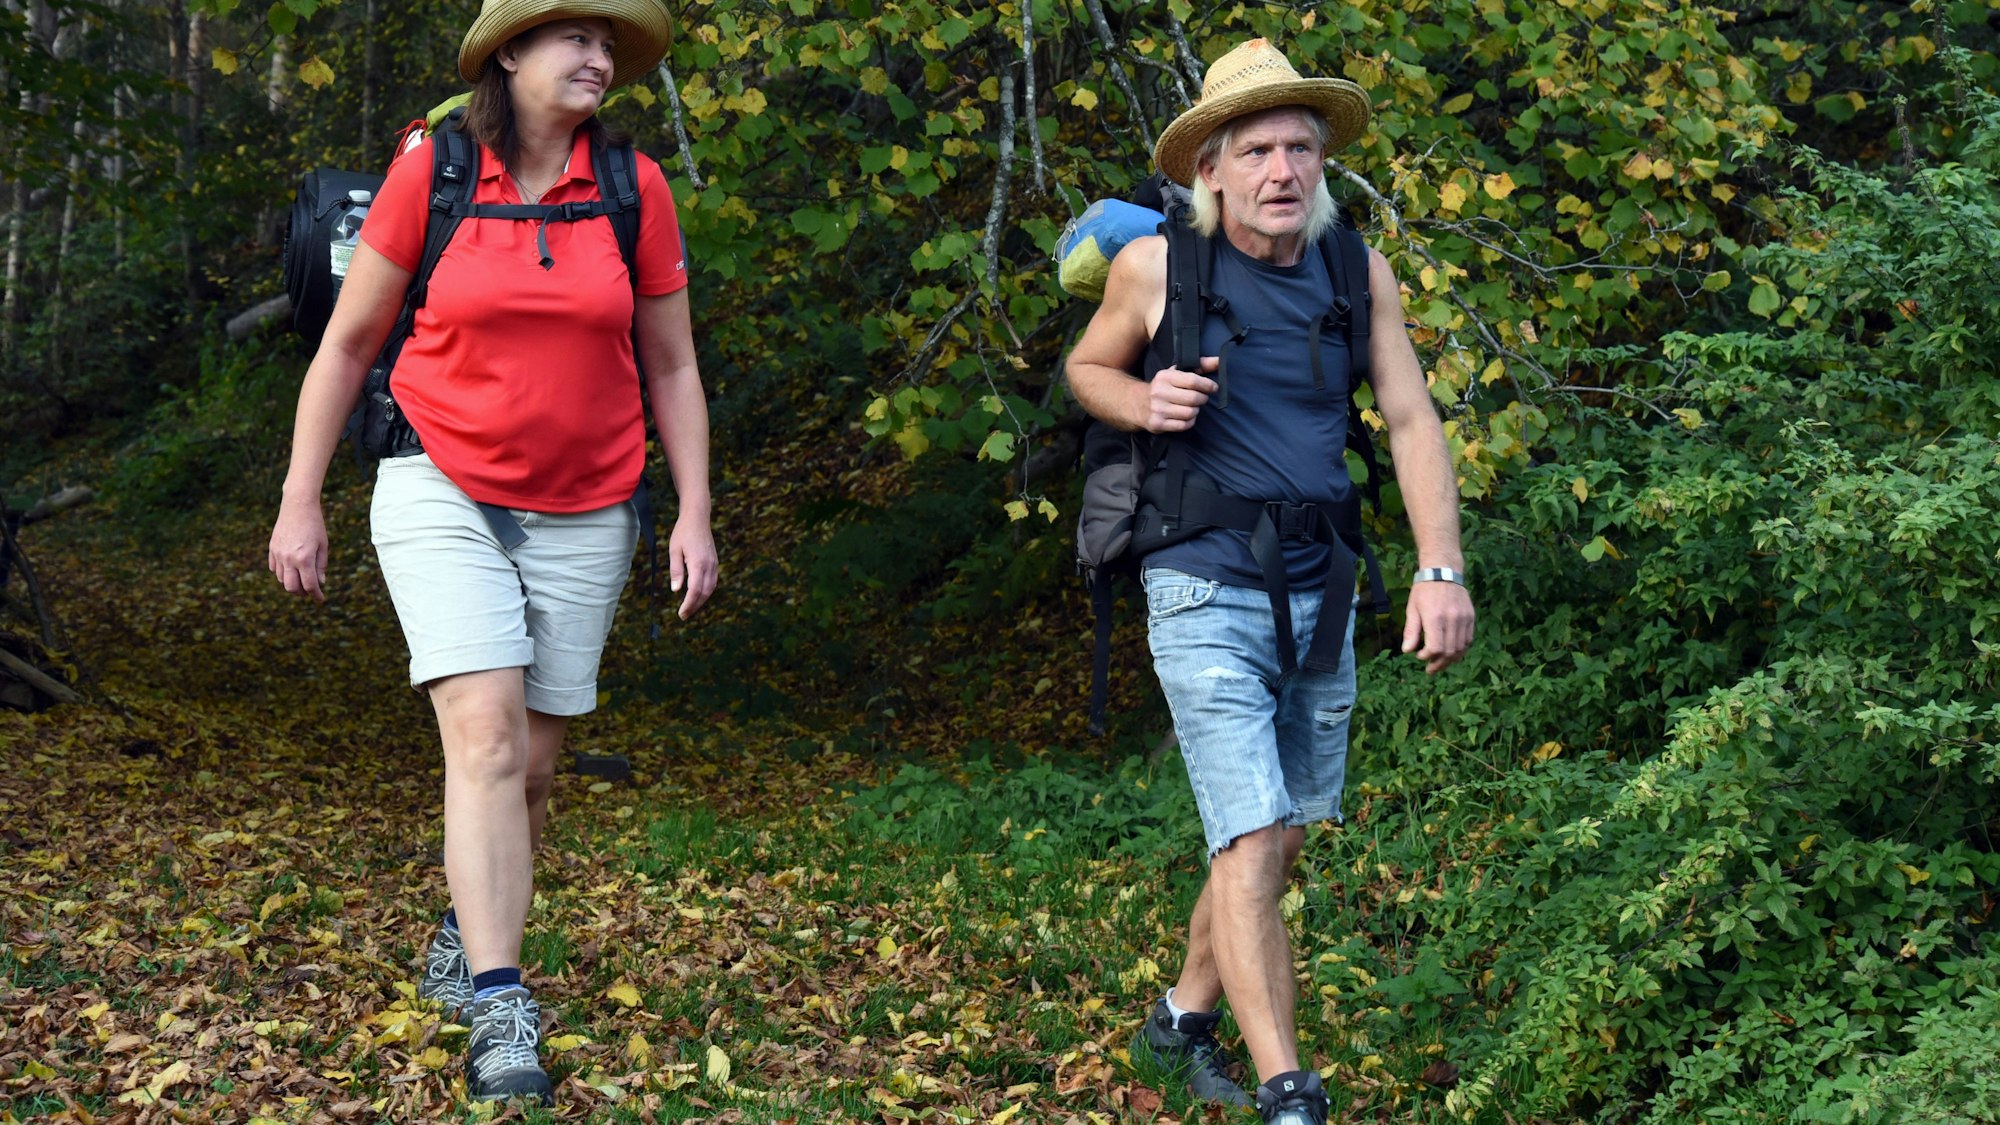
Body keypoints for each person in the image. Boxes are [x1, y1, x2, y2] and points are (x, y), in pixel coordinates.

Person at [266, 0, 715, 1105]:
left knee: (534, 770)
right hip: (439, 480)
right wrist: (299, 498)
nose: (597, 58)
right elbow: (348, 345)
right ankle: (502, 1005)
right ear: (509, 50)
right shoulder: (435, 169)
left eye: (608, 44)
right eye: (574, 37)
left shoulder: (633, 187)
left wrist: (695, 509)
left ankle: (464, 932)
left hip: (591, 502)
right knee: (486, 736)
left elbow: (670, 364)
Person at [1065, 39, 1476, 1125]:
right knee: (1249, 836)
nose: (1283, 170)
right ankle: (1290, 1090)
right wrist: (1139, 401)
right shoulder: (1157, 269)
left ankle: (1180, 1017)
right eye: (1256, 151)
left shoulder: (1355, 272)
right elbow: (1087, 367)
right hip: (1198, 579)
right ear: (1209, 167)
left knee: (1280, 835)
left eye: (1300, 147)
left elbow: (1408, 419)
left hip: (1322, 586)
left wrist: (1439, 568)